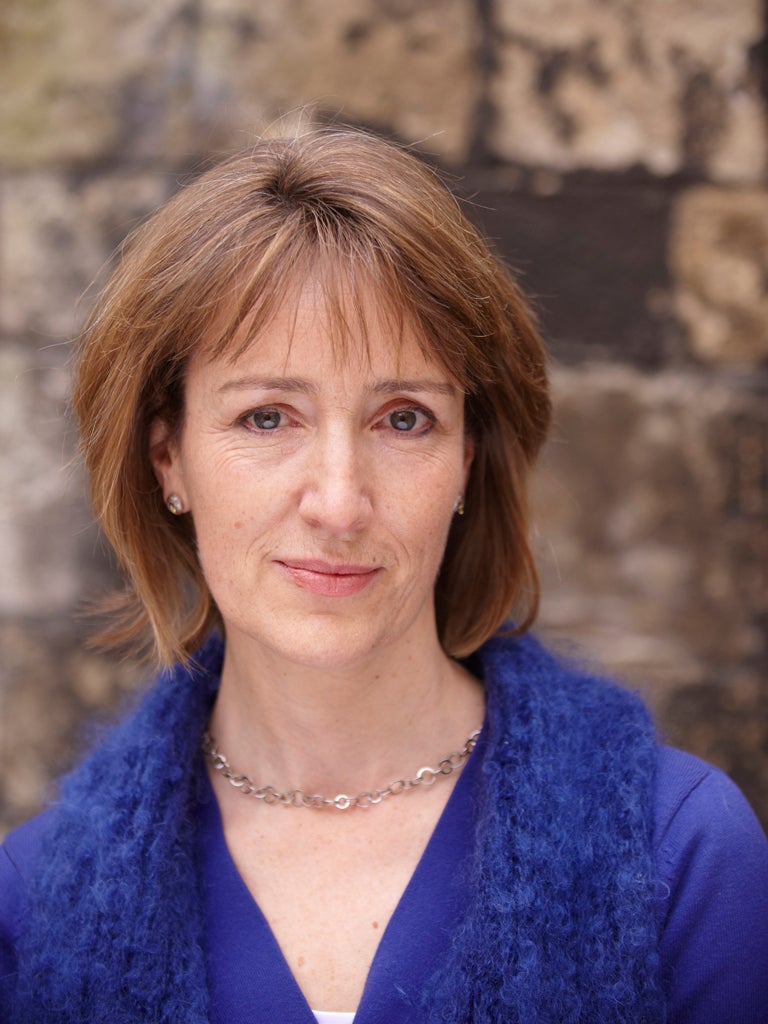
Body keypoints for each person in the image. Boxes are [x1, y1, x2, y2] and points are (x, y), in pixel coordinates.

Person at [1, 127, 766, 1024]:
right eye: (266, 417)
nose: (338, 501)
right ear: (167, 459)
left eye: (403, 419)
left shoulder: (680, 852)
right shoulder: (33, 906)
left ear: (469, 460)